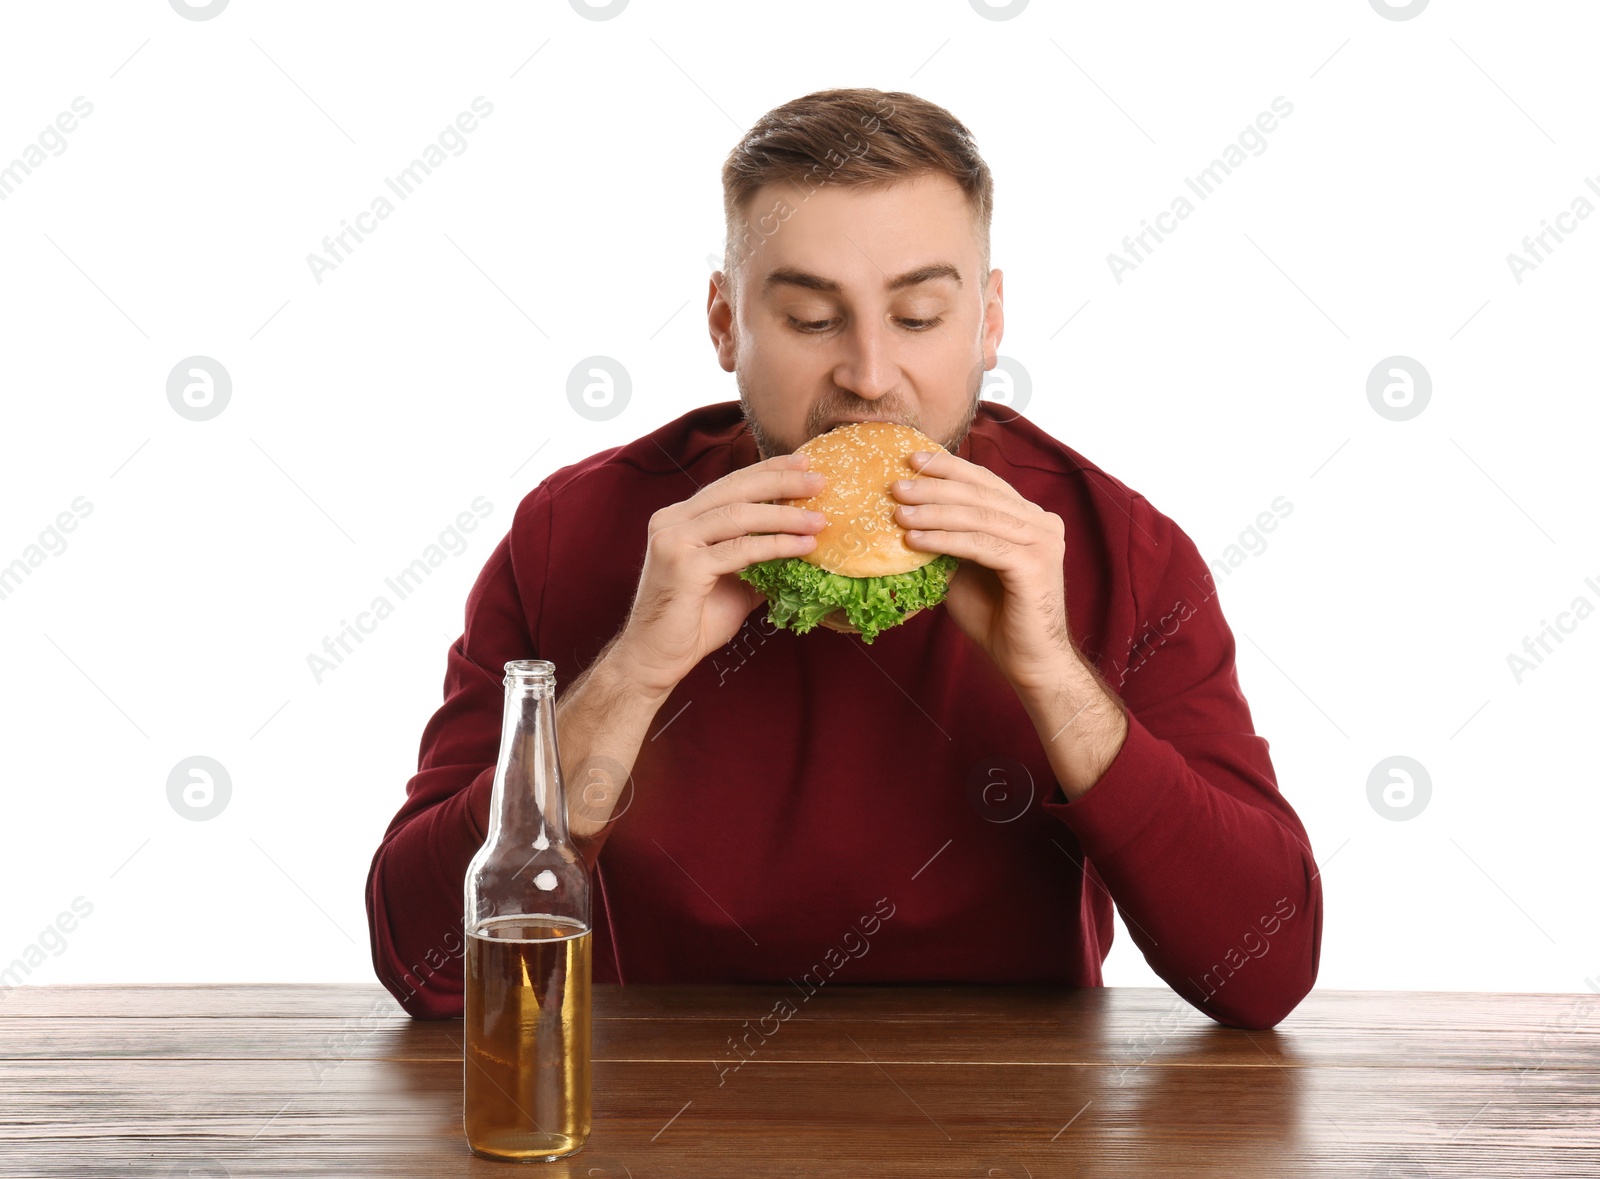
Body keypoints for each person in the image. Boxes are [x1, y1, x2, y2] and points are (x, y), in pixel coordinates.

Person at [364, 87, 1322, 1031]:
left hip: (1020, 1128)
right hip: (642, 1121)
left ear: (989, 320)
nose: (869, 377)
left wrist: (1050, 672)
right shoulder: (571, 531)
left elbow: (1265, 972)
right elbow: (427, 968)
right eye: (813, 320)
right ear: (725, 323)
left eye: (917, 318)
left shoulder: (1117, 547)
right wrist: (634, 670)